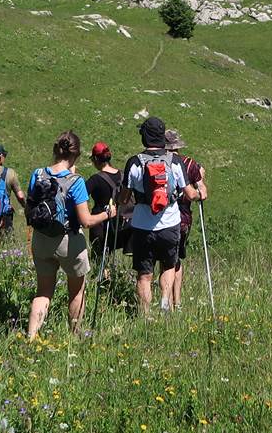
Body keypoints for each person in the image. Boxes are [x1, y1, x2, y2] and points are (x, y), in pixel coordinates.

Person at [24, 131, 114, 338]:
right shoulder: (76, 181)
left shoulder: (38, 174)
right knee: (76, 291)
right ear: (76, 155)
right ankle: (75, 335)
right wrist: (108, 213)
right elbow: (86, 221)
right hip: (68, 239)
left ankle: (31, 337)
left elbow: (29, 207)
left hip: (41, 238)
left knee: (43, 292)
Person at [120, 117, 203, 316]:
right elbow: (190, 194)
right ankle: (166, 305)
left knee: (144, 274)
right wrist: (201, 193)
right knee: (168, 266)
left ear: (145, 137)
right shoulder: (174, 161)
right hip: (170, 223)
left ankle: (146, 316)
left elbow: (124, 199)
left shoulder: (134, 163)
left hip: (142, 226)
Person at [162, 129, 206, 311]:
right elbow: (202, 192)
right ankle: (176, 302)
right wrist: (201, 182)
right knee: (176, 260)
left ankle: (165, 299)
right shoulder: (189, 164)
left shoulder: (157, 162)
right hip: (183, 219)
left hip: (160, 218)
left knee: (164, 261)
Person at [84, 141, 126, 280]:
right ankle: (111, 283)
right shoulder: (122, 175)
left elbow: (80, 195)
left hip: (100, 224)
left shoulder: (95, 179)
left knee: (99, 260)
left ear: (96, 159)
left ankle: (102, 285)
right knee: (111, 256)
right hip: (120, 224)